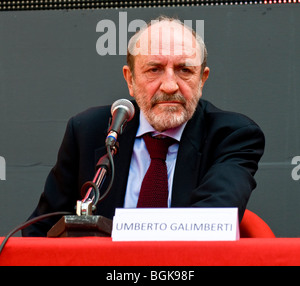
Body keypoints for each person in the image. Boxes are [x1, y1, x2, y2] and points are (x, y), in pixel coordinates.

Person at [22, 16, 264, 236]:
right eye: (154, 69)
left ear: (202, 79)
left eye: (184, 70)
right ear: (130, 80)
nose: (170, 85)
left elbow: (210, 221)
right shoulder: (89, 132)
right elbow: (41, 231)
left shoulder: (232, 135)